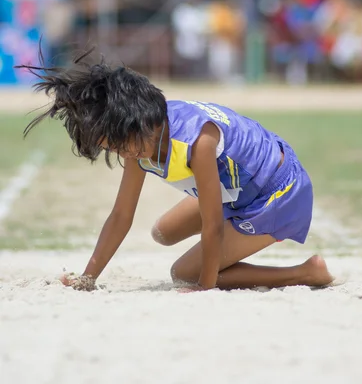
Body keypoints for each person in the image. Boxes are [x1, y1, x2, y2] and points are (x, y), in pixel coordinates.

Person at [18, 50, 334, 292]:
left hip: (277, 192)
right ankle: (231, 248)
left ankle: (306, 272)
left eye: (118, 144)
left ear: (140, 122)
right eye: (111, 148)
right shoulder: (138, 137)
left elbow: (212, 224)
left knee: (183, 273)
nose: (121, 154)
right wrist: (87, 278)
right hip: (239, 188)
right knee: (162, 232)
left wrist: (205, 286)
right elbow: (120, 216)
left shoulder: (197, 143)